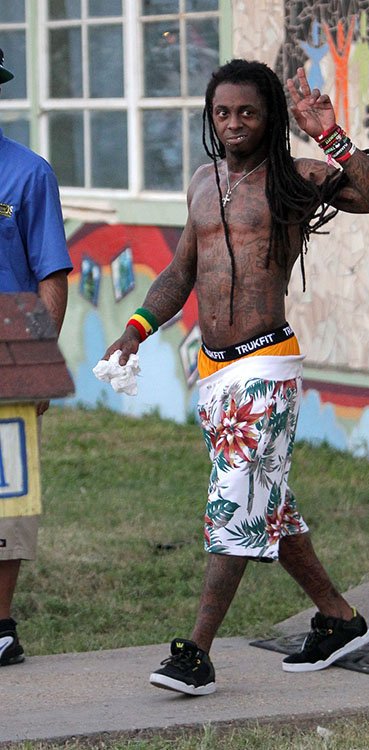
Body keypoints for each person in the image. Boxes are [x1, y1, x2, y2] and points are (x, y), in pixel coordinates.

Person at [103, 59, 369, 695]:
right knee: (269, 505)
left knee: (235, 505)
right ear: (210, 118)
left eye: (248, 111)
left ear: (269, 117)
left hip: (266, 365)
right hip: (214, 373)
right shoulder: (202, 181)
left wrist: (329, 135)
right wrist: (135, 330)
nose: (234, 122)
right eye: (223, 112)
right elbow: (181, 272)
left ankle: (196, 653)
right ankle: (339, 619)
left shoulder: (296, 178)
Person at [0, 49, 73, 666]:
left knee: (8, 497)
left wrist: (41, 360)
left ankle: (0, 626)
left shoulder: (28, 174)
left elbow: (51, 273)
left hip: (10, 358)